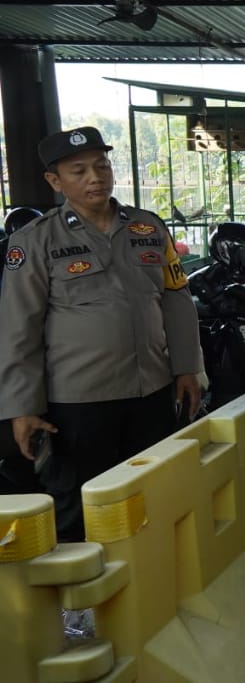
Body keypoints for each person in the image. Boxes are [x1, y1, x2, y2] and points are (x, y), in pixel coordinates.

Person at [0, 126, 203, 542]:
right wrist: (23, 407)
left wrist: (187, 369)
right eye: (79, 171)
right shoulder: (34, 242)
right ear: (55, 182)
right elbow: (18, 328)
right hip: (78, 404)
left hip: (151, 393)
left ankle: (155, 588)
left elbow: (177, 301)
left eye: (102, 165)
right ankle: (86, 603)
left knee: (156, 497)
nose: (95, 177)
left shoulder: (148, 228)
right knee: (81, 509)